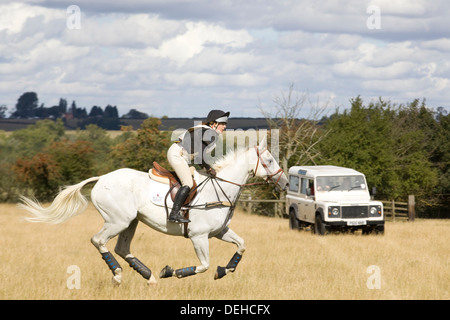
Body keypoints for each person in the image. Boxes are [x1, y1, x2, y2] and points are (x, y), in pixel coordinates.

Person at [167, 109, 230, 223]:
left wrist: (207, 168)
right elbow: (199, 156)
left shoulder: (206, 131)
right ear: (213, 124)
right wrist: (209, 169)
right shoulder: (209, 133)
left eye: (225, 124)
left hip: (182, 157)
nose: (225, 126)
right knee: (188, 183)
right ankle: (174, 213)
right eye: (222, 124)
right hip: (177, 155)